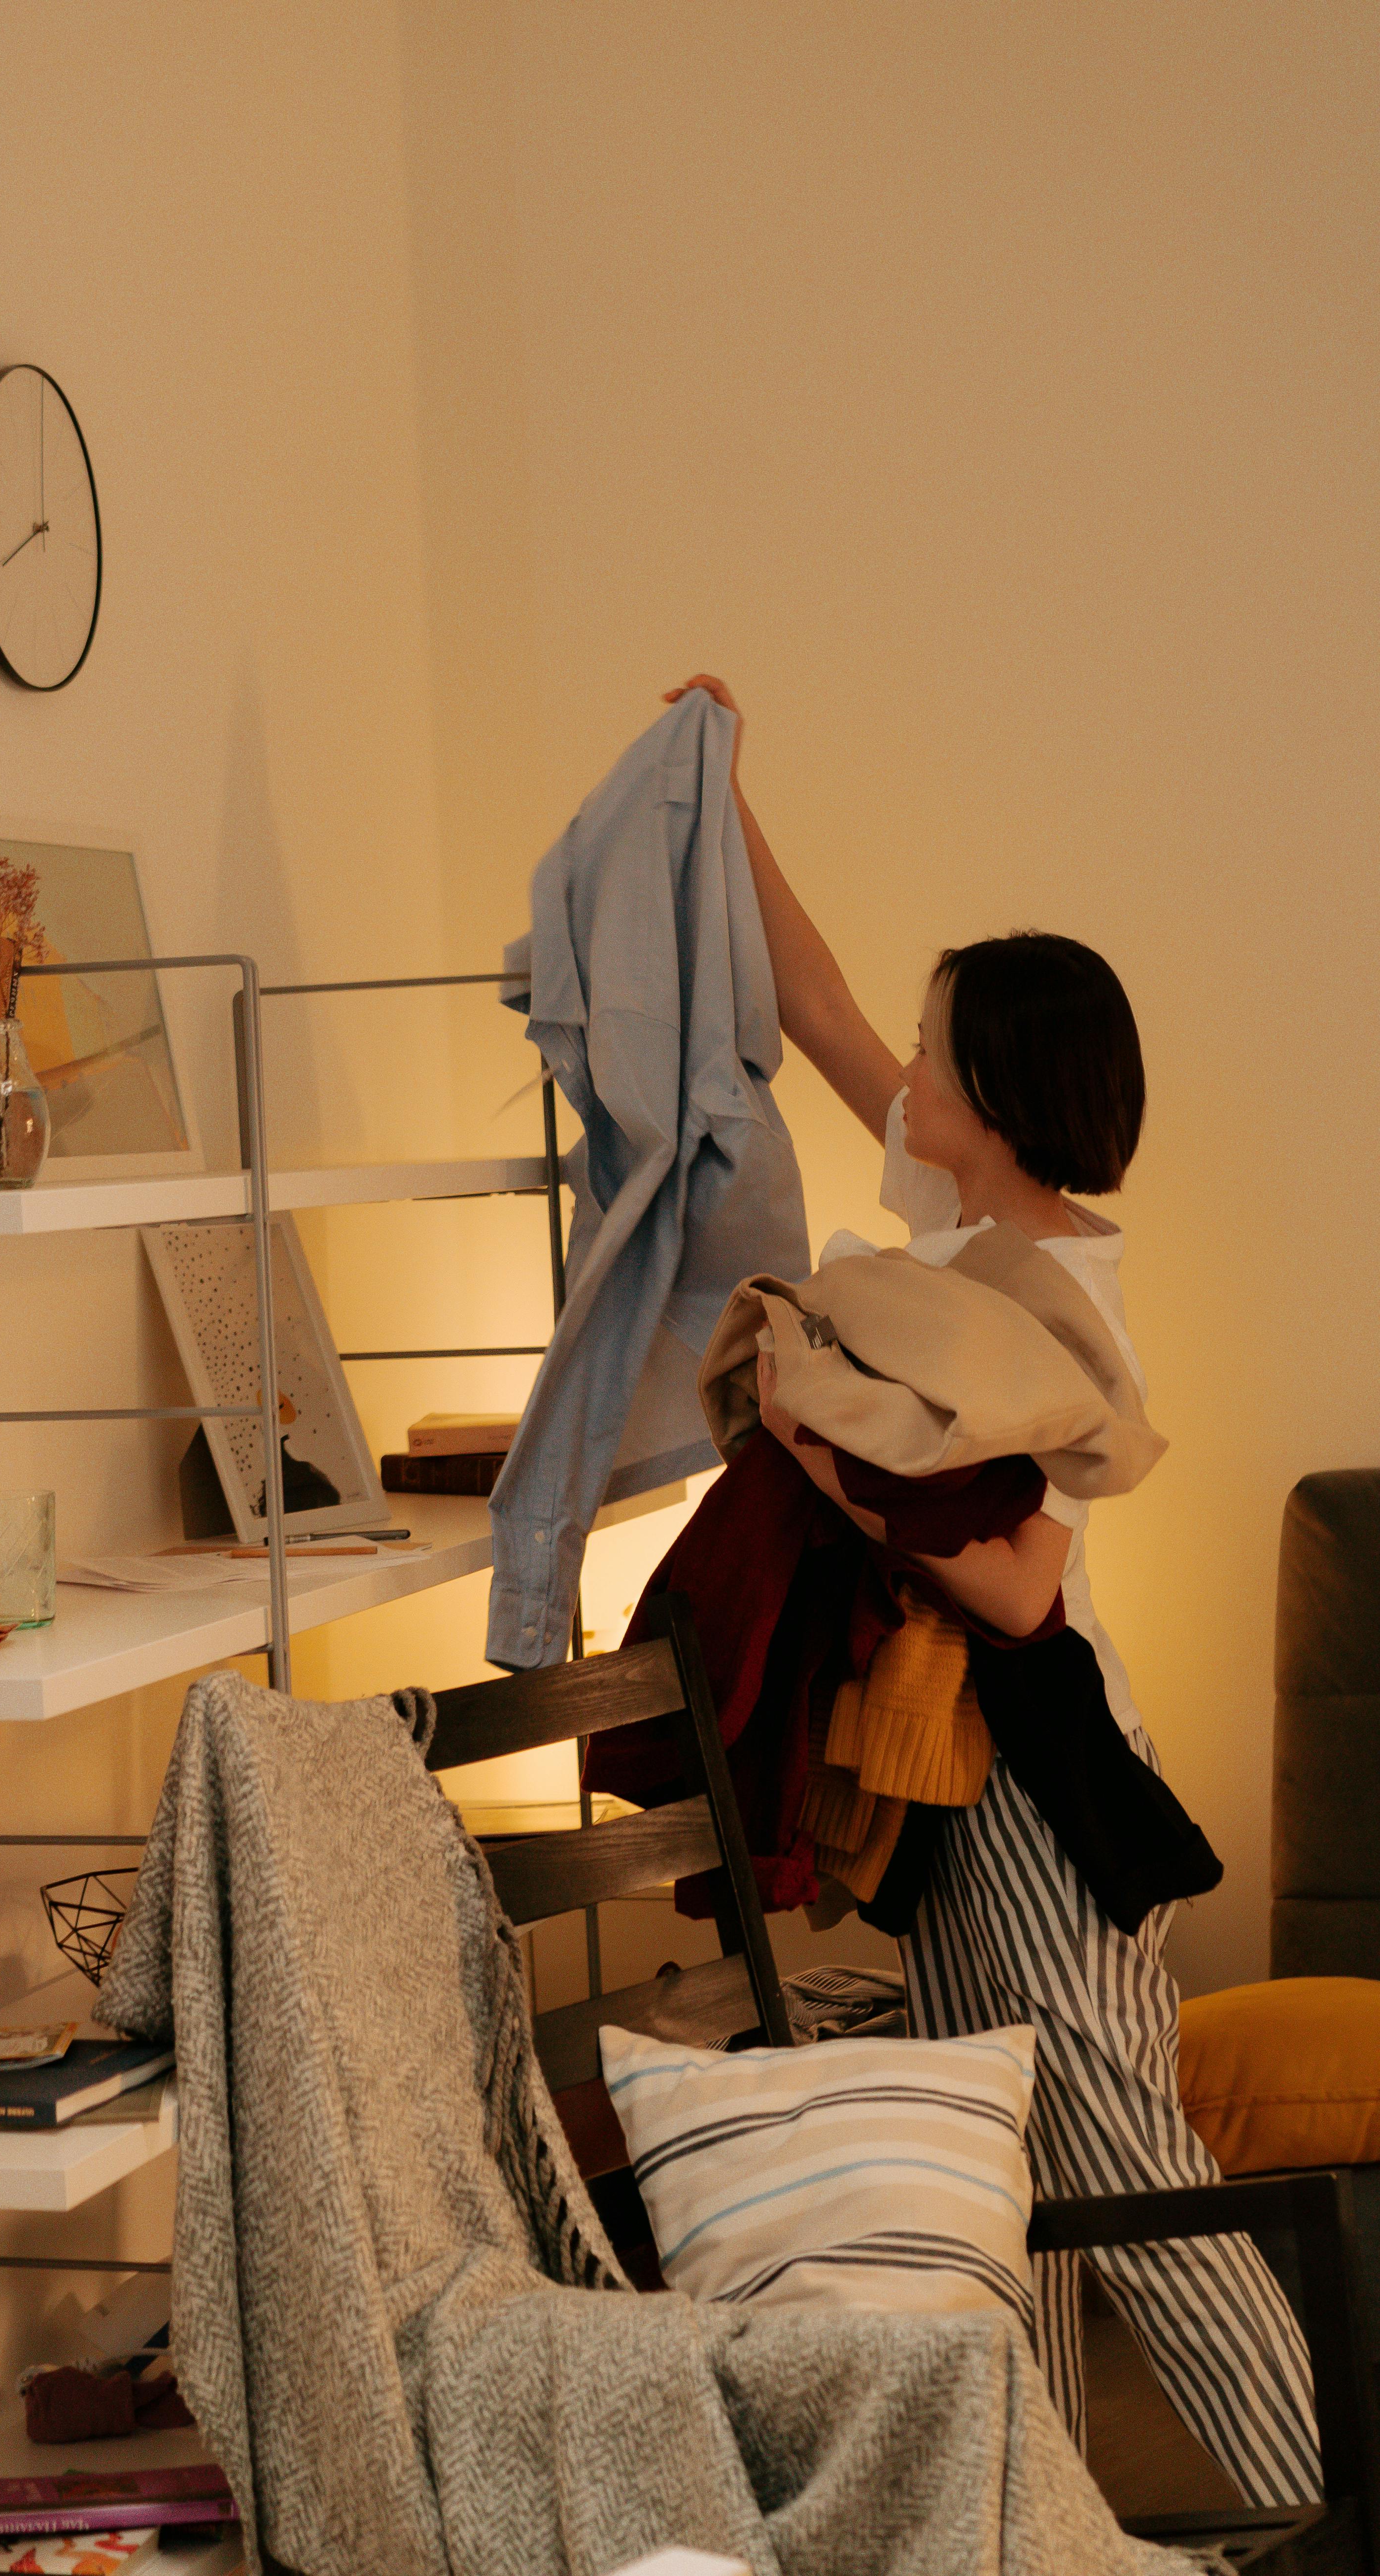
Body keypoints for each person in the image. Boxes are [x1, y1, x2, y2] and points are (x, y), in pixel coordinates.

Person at [662, 675, 1322, 2507]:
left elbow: (1021, 1583)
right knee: (1002, 2180)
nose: (908, 1069)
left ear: (1004, 1100)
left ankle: (1316, 2507)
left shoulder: (1050, 1295)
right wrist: (720, 779)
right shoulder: (967, 1229)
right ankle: (1054, 2531)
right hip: (972, 1772)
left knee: (1123, 2174)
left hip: (1038, 1770)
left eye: (940, 1053)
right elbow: (815, 1002)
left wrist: (819, 1452)